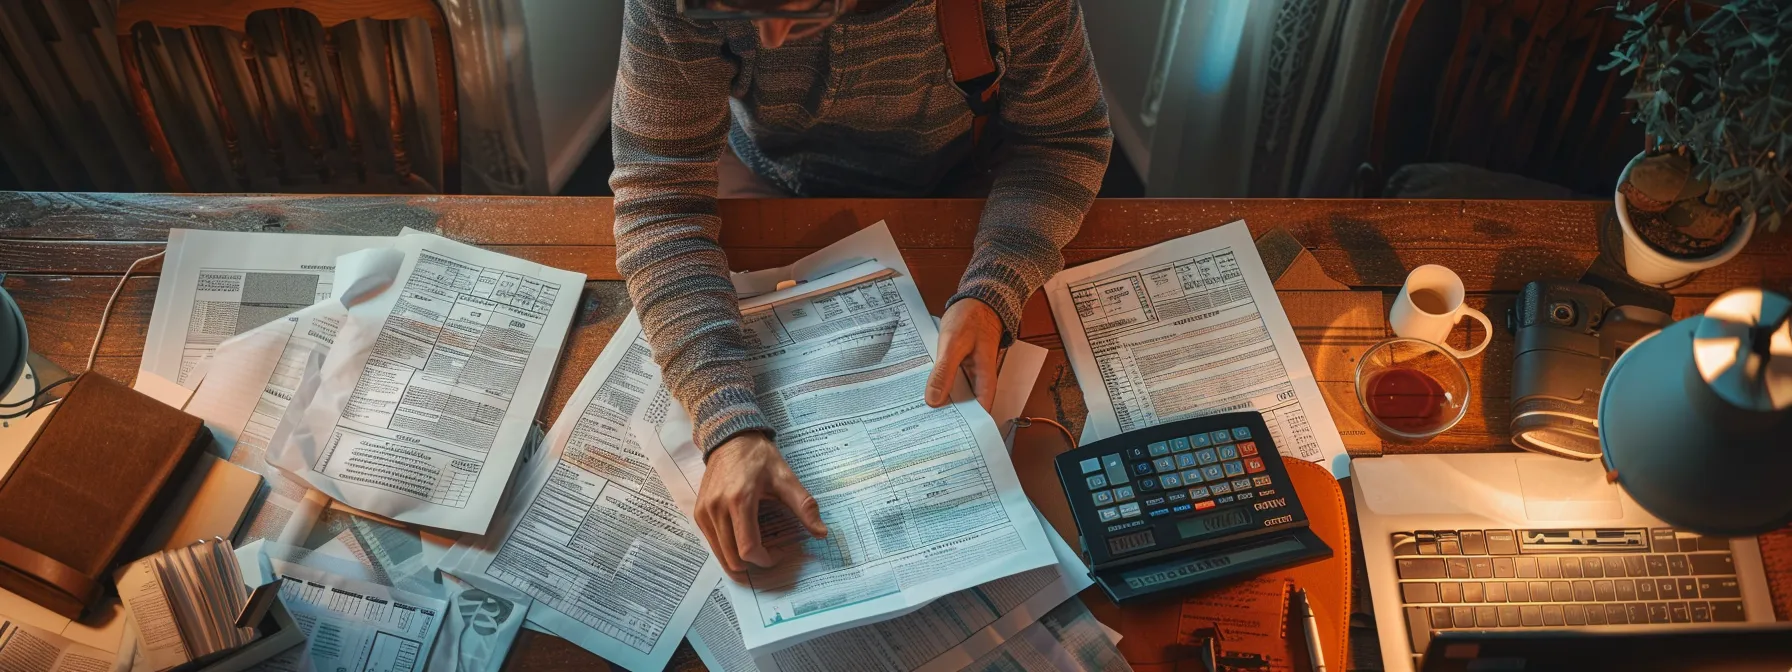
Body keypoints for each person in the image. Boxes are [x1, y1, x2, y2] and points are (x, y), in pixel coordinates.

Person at [610, 0, 1111, 580]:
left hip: (967, 187)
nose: (768, 40)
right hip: (768, 178)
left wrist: (996, 284)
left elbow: (1063, 142)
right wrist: (727, 423)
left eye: (799, 10)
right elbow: (659, 197)